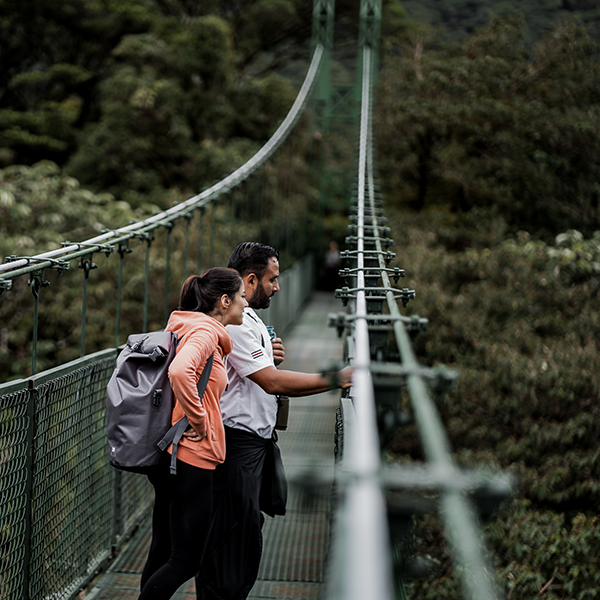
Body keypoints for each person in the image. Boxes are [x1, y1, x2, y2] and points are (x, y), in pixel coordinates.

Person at [193, 242, 352, 600]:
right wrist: (337, 378)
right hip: (236, 447)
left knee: (245, 537)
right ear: (251, 279)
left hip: (254, 445)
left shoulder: (247, 318)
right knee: (230, 545)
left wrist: (268, 353)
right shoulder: (234, 321)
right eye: (272, 279)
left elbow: (256, 373)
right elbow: (271, 382)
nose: (278, 287)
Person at [138, 268, 248, 600]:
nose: (245, 304)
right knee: (186, 560)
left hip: (172, 455)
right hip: (191, 459)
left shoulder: (190, 328)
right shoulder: (204, 333)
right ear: (225, 300)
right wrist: (200, 422)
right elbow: (179, 371)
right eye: (242, 297)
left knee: (163, 551)